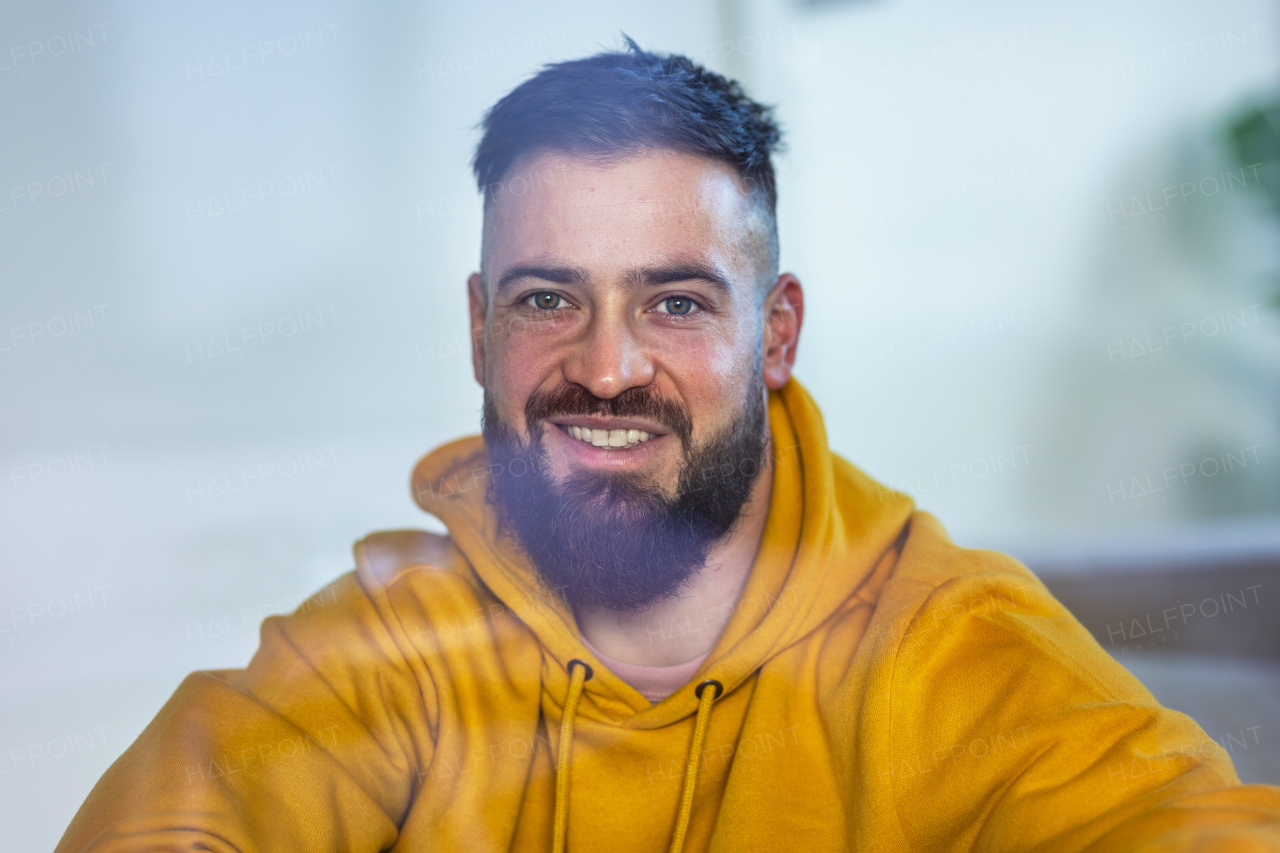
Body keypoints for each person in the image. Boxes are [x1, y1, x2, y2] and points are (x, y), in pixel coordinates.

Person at [58, 38, 1280, 853]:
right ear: (480, 330)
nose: (603, 366)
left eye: (674, 303)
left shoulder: (945, 653)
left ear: (776, 333)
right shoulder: (391, 641)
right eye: (546, 298)